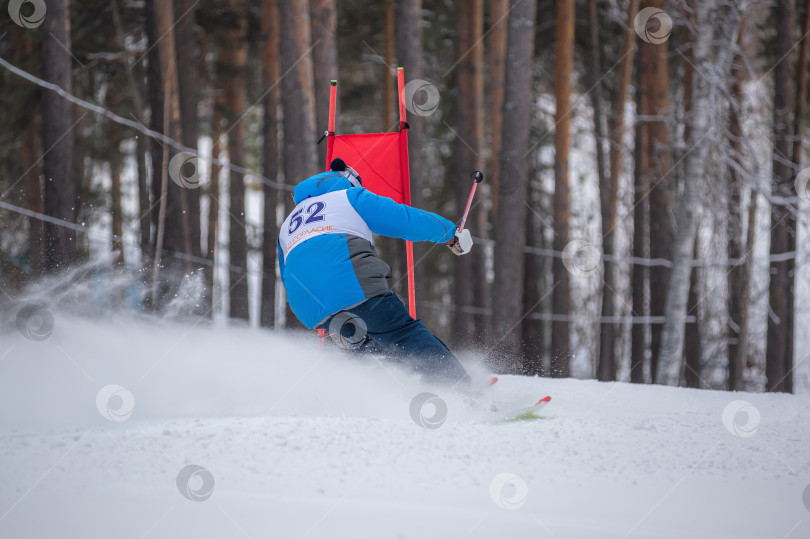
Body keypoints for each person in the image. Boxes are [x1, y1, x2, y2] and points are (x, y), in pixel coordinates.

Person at [278, 158, 474, 384]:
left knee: (366, 346)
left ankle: (381, 395)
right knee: (402, 332)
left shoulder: (287, 224)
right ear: (351, 181)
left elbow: (286, 270)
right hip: (351, 287)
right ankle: (459, 387)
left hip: (310, 308)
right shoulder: (349, 197)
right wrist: (450, 234)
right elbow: (403, 219)